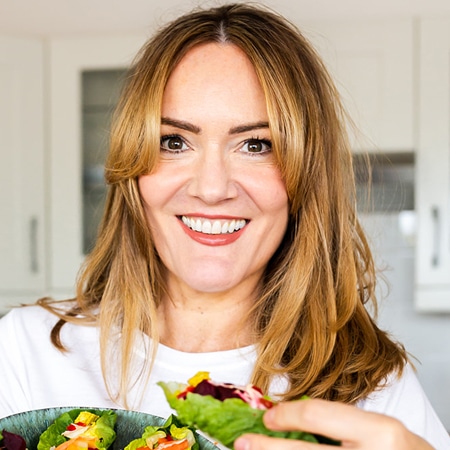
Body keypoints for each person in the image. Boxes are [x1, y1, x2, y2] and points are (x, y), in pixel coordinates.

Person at [0, 3, 449, 449]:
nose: (212, 189)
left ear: (306, 173)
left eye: (256, 145)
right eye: (174, 142)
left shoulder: (373, 390)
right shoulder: (25, 351)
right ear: (133, 166)